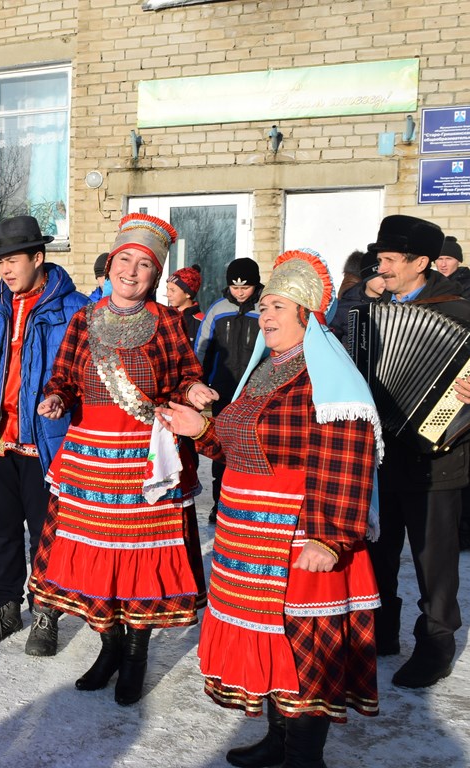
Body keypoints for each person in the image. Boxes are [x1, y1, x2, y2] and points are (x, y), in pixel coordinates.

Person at [160, 248, 381, 768]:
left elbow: (348, 459)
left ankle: (304, 757)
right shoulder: (264, 369)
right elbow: (242, 444)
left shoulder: (326, 374)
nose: (268, 315)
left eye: (281, 306)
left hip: (298, 536)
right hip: (245, 533)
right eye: (266, 306)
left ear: (309, 314)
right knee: (269, 639)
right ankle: (279, 741)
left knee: (302, 647)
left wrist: (330, 537)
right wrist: (204, 429)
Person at [29, 213, 218, 703]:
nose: (132, 272)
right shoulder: (81, 321)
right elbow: (64, 377)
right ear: (111, 264)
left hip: (145, 461)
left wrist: (194, 389)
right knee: (96, 560)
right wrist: (56, 398)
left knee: (140, 561)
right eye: (125, 261)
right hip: (90, 460)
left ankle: (135, 656)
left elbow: (184, 375)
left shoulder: (169, 323)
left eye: (145, 266)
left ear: (156, 276)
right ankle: (108, 646)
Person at [0, 215, 90, 657]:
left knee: (48, 534)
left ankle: (45, 613)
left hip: (48, 445)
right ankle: (4, 607)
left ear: (38, 258)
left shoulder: (75, 309)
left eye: (13, 260)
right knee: (1, 532)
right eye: (0, 261)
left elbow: (85, 380)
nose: (5, 269)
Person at [364, 215, 470, 688]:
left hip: (438, 456)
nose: (380, 267)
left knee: (434, 558)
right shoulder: (368, 314)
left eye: (388, 260)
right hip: (384, 455)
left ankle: (436, 644)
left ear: (420, 263)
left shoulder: (460, 312)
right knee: (378, 551)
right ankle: (380, 632)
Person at [194, 257, 264, 523]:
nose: (240, 292)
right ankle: (220, 504)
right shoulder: (218, 310)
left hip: (256, 391)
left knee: (253, 448)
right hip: (223, 391)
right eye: (235, 287)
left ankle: (251, 504)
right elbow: (202, 348)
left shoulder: (264, 308)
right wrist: (198, 381)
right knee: (222, 450)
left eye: (245, 287)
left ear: (255, 285)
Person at [328, 251, 383, 339]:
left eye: (387, 276)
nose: (385, 280)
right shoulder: (342, 308)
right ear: (367, 276)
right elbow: (330, 342)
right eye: (380, 276)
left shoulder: (394, 301)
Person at [166, 264, 203, 347]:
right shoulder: (163, 316)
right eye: (167, 289)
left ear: (187, 294)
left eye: (172, 290)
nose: (168, 294)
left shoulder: (202, 322)